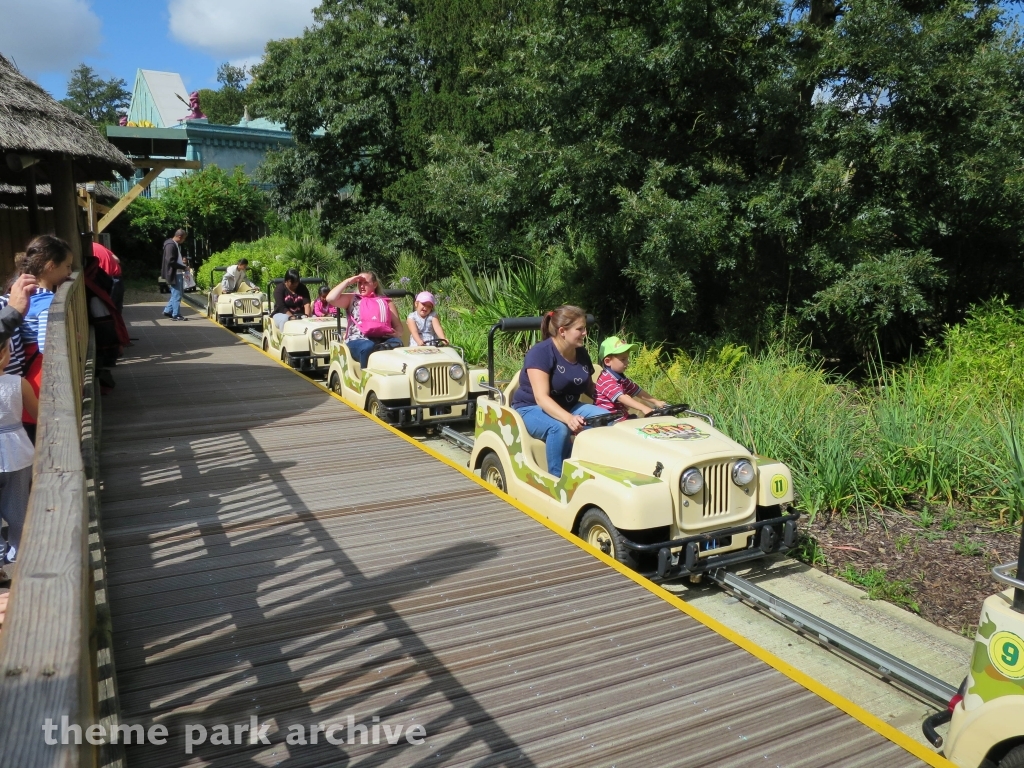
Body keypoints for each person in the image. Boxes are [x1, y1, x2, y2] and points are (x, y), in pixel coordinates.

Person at [510, 305, 607, 477]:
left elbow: (589, 387)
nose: (585, 333)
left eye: (585, 328)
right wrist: (569, 419)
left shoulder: (581, 352)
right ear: (562, 331)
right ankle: (556, 479)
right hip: (531, 408)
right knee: (559, 428)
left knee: (605, 417)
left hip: (568, 405)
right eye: (580, 329)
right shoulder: (540, 353)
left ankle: (596, 470)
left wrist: (612, 403)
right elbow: (541, 398)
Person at [4, 236, 73, 442]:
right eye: (67, 266)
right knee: (46, 431)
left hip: (24, 367)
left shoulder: (21, 294)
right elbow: (47, 345)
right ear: (52, 266)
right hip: (40, 375)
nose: (70, 273)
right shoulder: (48, 303)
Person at [0, 339, 37, 580]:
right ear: (5, 354)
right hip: (17, 453)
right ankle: (20, 555)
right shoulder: (18, 384)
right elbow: (39, 415)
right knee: (18, 510)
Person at [325, 272, 402, 368]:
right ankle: (365, 377)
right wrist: (348, 281)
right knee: (368, 346)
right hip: (358, 340)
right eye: (359, 283)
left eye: (365, 283)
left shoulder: (386, 302)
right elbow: (330, 298)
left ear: (374, 284)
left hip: (382, 339)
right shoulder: (352, 299)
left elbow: (398, 326)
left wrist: (397, 333)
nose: (362, 286)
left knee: (397, 343)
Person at [594, 336, 667, 420]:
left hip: (621, 417)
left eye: (627, 358)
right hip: (608, 420)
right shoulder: (605, 379)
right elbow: (621, 397)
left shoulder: (621, 378)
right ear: (608, 361)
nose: (627, 362)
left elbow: (637, 391)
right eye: (623, 359)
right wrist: (643, 408)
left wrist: (655, 401)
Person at [161, 229, 189, 320]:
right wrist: (183, 267)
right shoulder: (170, 245)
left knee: (176, 293)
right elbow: (170, 261)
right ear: (180, 237)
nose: (184, 241)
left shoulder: (172, 244)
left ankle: (168, 310)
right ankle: (176, 314)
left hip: (176, 272)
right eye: (184, 238)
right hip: (174, 273)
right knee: (177, 294)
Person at [91, 242, 123, 312]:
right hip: (118, 278)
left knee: (108, 311)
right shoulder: (97, 245)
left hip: (106, 280)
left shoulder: (87, 249)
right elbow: (117, 259)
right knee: (117, 312)